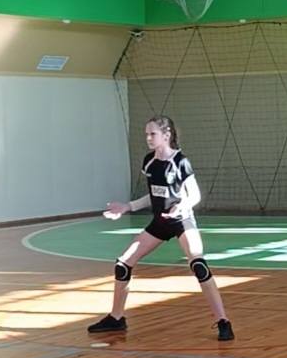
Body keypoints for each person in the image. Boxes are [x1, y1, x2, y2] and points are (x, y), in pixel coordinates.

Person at [87, 115, 235, 341]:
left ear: (166, 135)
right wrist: (128, 207)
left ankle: (223, 321)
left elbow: (194, 195)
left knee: (198, 264)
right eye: (146, 134)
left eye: (152, 134)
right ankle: (117, 318)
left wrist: (181, 207)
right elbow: (153, 195)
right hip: (160, 222)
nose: (148, 138)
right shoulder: (149, 162)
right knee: (123, 264)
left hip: (181, 220)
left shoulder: (180, 162)